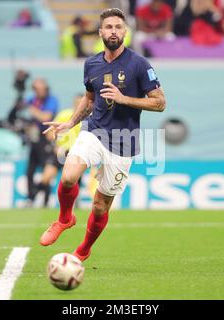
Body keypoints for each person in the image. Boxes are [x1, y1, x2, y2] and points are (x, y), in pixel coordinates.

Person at [40, 8, 166, 262]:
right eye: (108, 27)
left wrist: (124, 99)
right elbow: (89, 99)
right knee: (68, 176)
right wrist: (70, 123)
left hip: (123, 142)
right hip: (94, 131)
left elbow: (160, 102)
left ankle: (84, 248)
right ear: (100, 32)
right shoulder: (92, 63)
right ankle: (65, 218)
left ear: (125, 32)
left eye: (118, 27)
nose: (113, 32)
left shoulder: (140, 65)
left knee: (100, 205)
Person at [24, 78, 59, 207]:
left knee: (46, 171)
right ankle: (30, 199)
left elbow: (46, 117)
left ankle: (45, 200)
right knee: (30, 171)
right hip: (33, 138)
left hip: (46, 138)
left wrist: (31, 109)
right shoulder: (31, 99)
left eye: (41, 88)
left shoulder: (51, 100)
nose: (38, 91)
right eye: (36, 88)